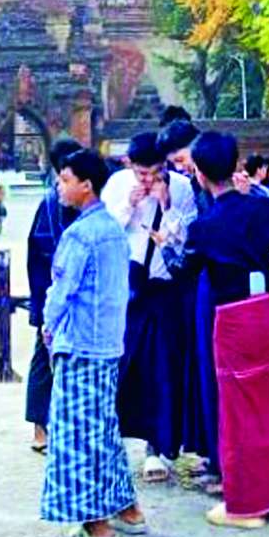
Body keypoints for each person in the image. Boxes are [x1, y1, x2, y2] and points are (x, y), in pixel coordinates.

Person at [181, 130, 269, 529]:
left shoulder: (204, 227)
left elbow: (185, 271)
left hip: (232, 318)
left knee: (236, 411)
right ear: (236, 164)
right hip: (264, 311)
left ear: (200, 174)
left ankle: (247, 503)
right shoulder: (261, 207)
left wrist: (168, 242)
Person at [39, 147, 146, 537]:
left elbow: (61, 290)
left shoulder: (81, 234)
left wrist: (48, 327)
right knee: (103, 428)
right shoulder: (113, 230)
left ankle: (94, 523)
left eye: (66, 179)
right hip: (108, 343)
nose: (59, 186)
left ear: (86, 185)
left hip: (81, 345)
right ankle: (126, 509)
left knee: (76, 434)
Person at [104, 131, 198, 484]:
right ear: (130, 165)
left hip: (164, 286)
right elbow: (106, 233)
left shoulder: (182, 188)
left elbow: (189, 239)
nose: (148, 180)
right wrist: (129, 205)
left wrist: (167, 205)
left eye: (155, 172)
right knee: (123, 366)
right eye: (142, 173)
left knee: (163, 366)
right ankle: (113, 440)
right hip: (127, 286)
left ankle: (157, 447)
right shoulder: (117, 184)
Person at [26, 139, 84, 453]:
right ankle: (40, 426)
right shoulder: (49, 205)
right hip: (54, 296)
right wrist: (41, 308)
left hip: (82, 299)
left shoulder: (88, 204)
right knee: (44, 360)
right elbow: (36, 259)